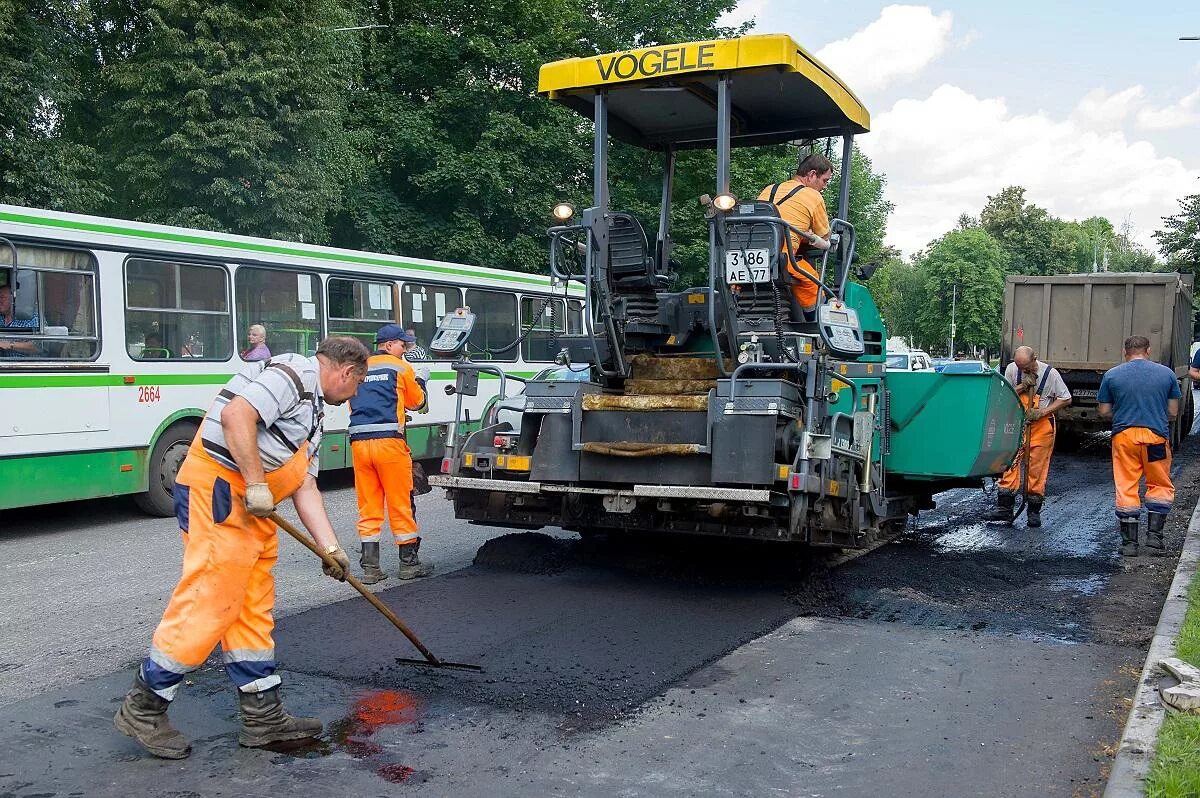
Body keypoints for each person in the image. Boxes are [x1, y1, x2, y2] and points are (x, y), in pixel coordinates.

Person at [113, 337, 370, 760]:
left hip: (254, 506)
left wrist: (331, 548)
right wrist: (254, 483)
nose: (355, 393)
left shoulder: (315, 412)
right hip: (221, 492)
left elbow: (305, 483)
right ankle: (144, 707)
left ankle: (263, 717)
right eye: (356, 384)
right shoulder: (295, 373)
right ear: (346, 371)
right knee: (212, 600)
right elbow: (237, 416)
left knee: (251, 607)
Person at [348, 325, 431, 583]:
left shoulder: (359, 368)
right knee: (400, 504)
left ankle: (371, 569)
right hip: (389, 446)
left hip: (359, 445)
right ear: (390, 344)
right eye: (402, 346)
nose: (404, 350)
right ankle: (408, 564)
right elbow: (418, 403)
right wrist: (421, 381)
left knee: (369, 506)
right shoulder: (400, 367)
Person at [1098, 335, 1181, 557]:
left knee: (1126, 485)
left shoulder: (1112, 375)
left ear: (1125, 352)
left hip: (1124, 438)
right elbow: (1173, 412)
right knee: (1160, 484)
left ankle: (1129, 544)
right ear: (1149, 350)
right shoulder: (1167, 374)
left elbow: (1104, 411)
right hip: (1156, 437)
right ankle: (1154, 539)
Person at [984, 346, 1072, 527]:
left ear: (1034, 360)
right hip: (1016, 425)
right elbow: (1003, 395)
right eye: (1019, 367)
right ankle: (1005, 508)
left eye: (1026, 367)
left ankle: (1033, 511)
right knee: (1009, 464)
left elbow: (1065, 398)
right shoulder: (1011, 370)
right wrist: (1022, 386)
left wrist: (1042, 412)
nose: (1022, 370)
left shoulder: (1050, 374)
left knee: (1036, 469)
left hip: (1041, 428)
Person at [757, 153, 834, 322]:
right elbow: (824, 236)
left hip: (750, 255)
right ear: (812, 174)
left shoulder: (769, 189)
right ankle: (815, 329)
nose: (825, 186)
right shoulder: (813, 196)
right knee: (813, 285)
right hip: (782, 256)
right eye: (825, 181)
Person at [0, 283, 39, 355]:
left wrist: (9, 344)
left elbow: (38, 347)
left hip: (24, 364)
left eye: (2, 297)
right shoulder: (1, 318)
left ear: (14, 299)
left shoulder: (31, 317)